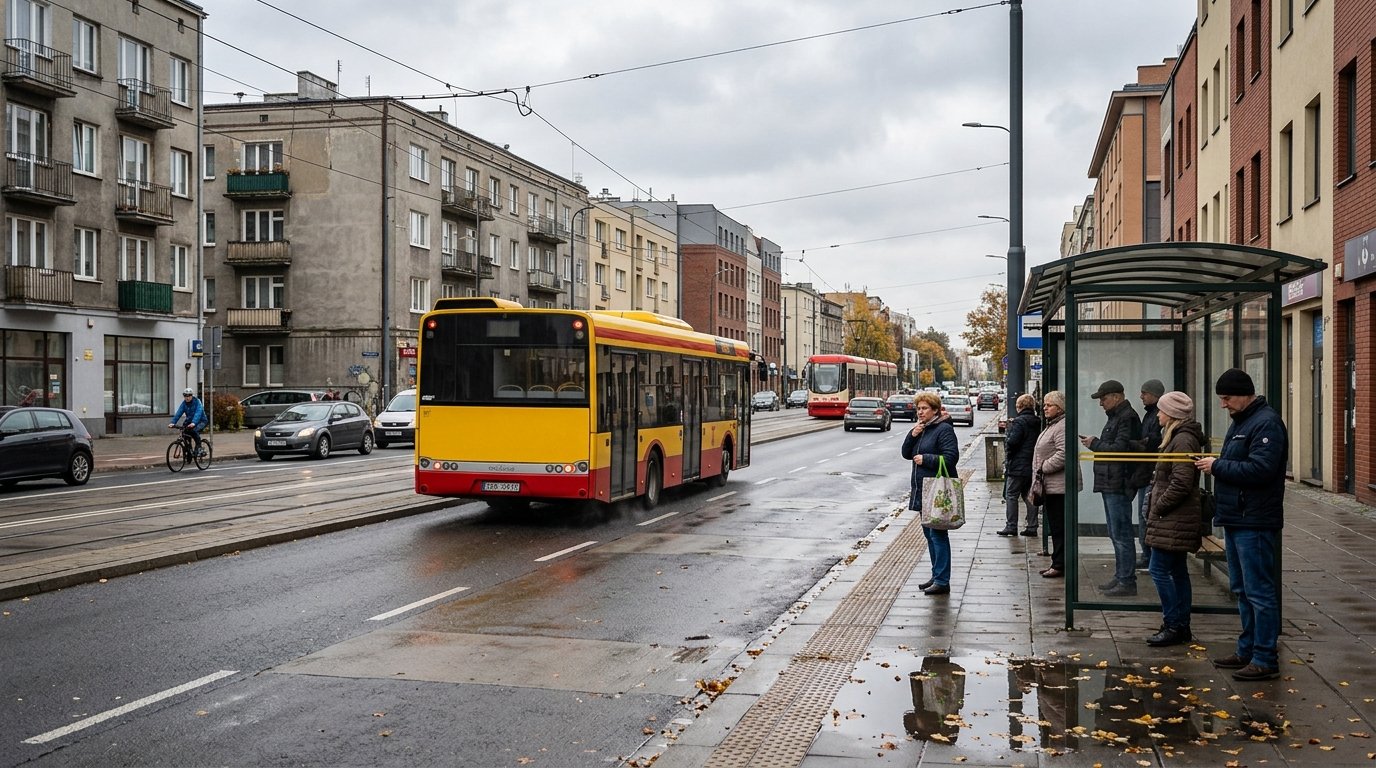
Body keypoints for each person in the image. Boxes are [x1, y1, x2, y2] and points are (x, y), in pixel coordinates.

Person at [1195, 368, 1288, 681]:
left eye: (1228, 398)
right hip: (1238, 518)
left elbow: (1261, 469)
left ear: (1245, 394)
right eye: (1221, 399)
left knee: (1258, 591)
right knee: (1243, 589)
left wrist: (1217, 465)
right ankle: (1247, 649)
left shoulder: (1266, 423)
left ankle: (1264, 657)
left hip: (1255, 520)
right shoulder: (1245, 421)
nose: (1224, 404)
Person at [1143, 391, 1204, 647]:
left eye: (1162, 410)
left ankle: (1174, 624)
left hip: (1172, 517)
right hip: (1174, 517)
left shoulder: (1182, 440)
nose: (1158, 414)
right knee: (1177, 571)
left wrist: (1159, 506)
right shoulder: (1180, 438)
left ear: (1173, 414)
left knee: (1159, 570)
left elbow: (1181, 481)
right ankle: (1180, 624)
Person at [1079, 379, 1144, 597]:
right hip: (1111, 481)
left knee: (1121, 532)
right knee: (1115, 532)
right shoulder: (1117, 416)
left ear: (1116, 397)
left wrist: (1095, 443)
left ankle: (1126, 579)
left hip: (1119, 482)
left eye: (1103, 399)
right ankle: (1121, 575)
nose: (1101, 404)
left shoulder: (1127, 417)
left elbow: (1119, 449)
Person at [901, 391, 961, 596]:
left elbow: (951, 457)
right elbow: (905, 454)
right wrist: (912, 435)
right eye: (918, 408)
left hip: (937, 490)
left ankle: (943, 580)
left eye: (924, 408)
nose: (920, 412)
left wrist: (926, 459)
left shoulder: (943, 429)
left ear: (935, 410)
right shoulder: (922, 429)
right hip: (922, 490)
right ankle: (937, 575)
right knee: (929, 534)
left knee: (938, 534)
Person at [1031, 390, 1070, 578]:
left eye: (1049, 405)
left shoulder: (1061, 426)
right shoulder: (1053, 424)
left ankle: (1060, 564)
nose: (1045, 408)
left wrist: (1043, 467)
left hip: (1059, 486)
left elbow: (1064, 453)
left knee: (1059, 526)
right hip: (1052, 486)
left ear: (1060, 407)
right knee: (1055, 525)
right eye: (1044, 404)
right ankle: (1058, 561)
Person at [1133, 379, 1165, 569]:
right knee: (1144, 515)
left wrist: (1139, 444)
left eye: (1144, 392)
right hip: (1146, 471)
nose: (1141, 396)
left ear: (1155, 395)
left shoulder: (1156, 416)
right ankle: (1147, 555)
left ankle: (1149, 556)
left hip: (1150, 472)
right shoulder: (1150, 415)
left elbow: (1152, 441)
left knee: (1145, 515)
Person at [999, 394, 1041, 536]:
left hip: (1018, 465)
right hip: (1032, 464)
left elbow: (1012, 442)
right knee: (1029, 495)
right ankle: (1032, 526)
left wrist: (1009, 434)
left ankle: (1011, 526)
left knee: (1011, 495)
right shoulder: (1038, 421)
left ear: (1020, 407)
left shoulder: (1019, 422)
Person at [168, 387, 209, 455]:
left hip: (201, 421)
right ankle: (189, 453)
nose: (187, 397)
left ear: (192, 395)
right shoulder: (184, 403)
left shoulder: (197, 402)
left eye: (189, 395)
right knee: (185, 433)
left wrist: (194, 423)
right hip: (190, 421)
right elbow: (179, 413)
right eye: (185, 396)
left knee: (194, 431)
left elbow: (198, 413)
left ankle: (199, 448)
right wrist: (173, 423)